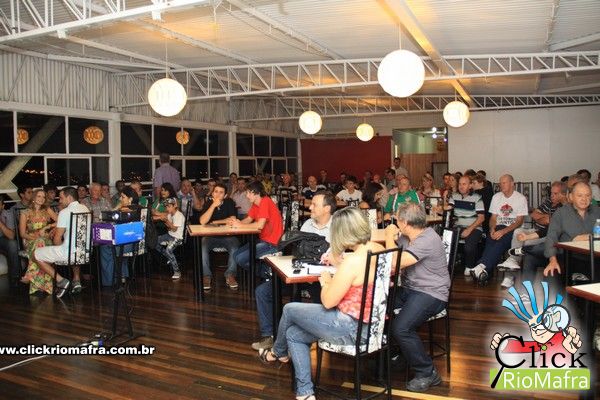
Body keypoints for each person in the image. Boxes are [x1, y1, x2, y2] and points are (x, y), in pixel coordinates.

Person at [258, 207, 384, 400]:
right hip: (372, 326)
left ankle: (276, 351)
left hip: (350, 328)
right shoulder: (377, 250)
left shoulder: (351, 263)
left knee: (289, 309)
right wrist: (339, 266)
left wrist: (325, 281)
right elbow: (359, 277)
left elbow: (328, 302)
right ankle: (305, 393)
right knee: (293, 335)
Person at [252, 191, 335, 351]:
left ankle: (314, 336)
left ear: (327, 208)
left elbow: (336, 258)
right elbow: (298, 251)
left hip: (322, 281)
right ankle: (270, 336)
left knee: (320, 301)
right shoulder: (307, 224)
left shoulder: (337, 227)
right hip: (299, 276)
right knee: (262, 291)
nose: (310, 207)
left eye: (314, 204)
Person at [385, 202, 449, 392]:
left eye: (397, 219)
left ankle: (427, 372)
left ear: (405, 223)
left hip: (432, 292)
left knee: (401, 328)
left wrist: (388, 235)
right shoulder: (408, 236)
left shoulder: (427, 239)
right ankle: (398, 354)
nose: (395, 221)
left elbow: (394, 263)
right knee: (378, 306)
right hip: (411, 288)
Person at [496, 181, 567, 289]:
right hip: (537, 230)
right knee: (518, 232)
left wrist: (543, 217)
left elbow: (549, 224)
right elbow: (534, 215)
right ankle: (514, 260)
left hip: (547, 236)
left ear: (564, 194)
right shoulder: (548, 201)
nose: (552, 196)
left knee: (527, 244)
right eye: (551, 193)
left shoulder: (563, 208)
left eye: (555, 194)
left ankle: (512, 272)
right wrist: (545, 217)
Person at [470, 174, 528, 284]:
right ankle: (484, 271)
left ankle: (481, 266)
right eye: (500, 183)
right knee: (490, 239)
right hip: (498, 226)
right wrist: (492, 229)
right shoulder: (496, 197)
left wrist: (503, 231)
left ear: (512, 184)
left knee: (500, 241)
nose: (501, 185)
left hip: (514, 229)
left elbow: (519, 221)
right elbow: (493, 218)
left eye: (504, 183)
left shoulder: (521, 198)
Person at [33, 187, 90, 298]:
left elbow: (57, 239)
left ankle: (61, 281)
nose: (60, 200)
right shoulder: (85, 208)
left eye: (61, 198)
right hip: (84, 253)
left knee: (36, 254)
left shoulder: (65, 212)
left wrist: (58, 249)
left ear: (69, 198)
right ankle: (76, 280)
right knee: (72, 248)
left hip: (68, 254)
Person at [542, 182, 600, 282]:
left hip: (595, 258)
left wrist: (589, 236)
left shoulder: (597, 211)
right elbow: (551, 238)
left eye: (587, 195)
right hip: (568, 258)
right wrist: (552, 260)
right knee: (551, 275)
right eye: (580, 195)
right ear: (571, 197)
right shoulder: (561, 213)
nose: (584, 199)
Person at [231, 181, 283, 277]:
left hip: (273, 244)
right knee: (235, 255)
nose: (247, 195)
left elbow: (260, 225)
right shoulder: (256, 204)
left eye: (249, 192)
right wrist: (238, 223)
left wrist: (240, 226)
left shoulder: (265, 201)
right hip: (263, 240)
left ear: (257, 193)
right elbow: (249, 219)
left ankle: (268, 274)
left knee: (240, 259)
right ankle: (266, 272)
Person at [199, 183, 240, 291]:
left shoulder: (229, 202)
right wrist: (213, 206)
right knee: (202, 247)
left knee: (235, 247)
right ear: (212, 193)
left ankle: (230, 275)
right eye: (216, 191)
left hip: (228, 236)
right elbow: (202, 221)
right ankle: (206, 276)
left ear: (225, 195)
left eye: (221, 192)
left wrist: (214, 222)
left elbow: (232, 220)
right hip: (210, 236)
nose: (218, 194)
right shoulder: (209, 203)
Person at [19, 189, 58, 294]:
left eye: (43, 197)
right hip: (30, 240)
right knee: (39, 243)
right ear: (34, 198)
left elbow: (60, 220)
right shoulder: (25, 213)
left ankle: (30, 275)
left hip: (45, 240)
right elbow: (22, 234)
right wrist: (35, 238)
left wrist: (48, 227)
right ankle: (43, 285)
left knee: (41, 243)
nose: (42, 199)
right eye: (39, 196)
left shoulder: (47, 210)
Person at [449, 176, 485, 276]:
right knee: (446, 242)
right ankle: (448, 266)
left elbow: (481, 218)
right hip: (457, 226)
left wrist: (469, 229)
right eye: (460, 184)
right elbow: (448, 209)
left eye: (464, 184)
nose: (461, 186)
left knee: (469, 247)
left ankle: (469, 267)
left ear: (470, 186)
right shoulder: (454, 196)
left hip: (474, 227)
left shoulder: (477, 198)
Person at [155, 197, 185, 280]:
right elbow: (169, 228)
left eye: (169, 206)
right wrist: (165, 221)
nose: (167, 208)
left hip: (177, 237)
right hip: (170, 235)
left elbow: (174, 229)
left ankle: (177, 271)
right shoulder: (169, 214)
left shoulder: (179, 215)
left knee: (169, 250)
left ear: (175, 206)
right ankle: (169, 258)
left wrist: (166, 221)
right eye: (166, 207)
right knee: (154, 242)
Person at [0, 195, 19, 287]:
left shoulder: (7, 214)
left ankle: (15, 277)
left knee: (13, 244)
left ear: (2, 206)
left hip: (2, 239)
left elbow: (11, 236)